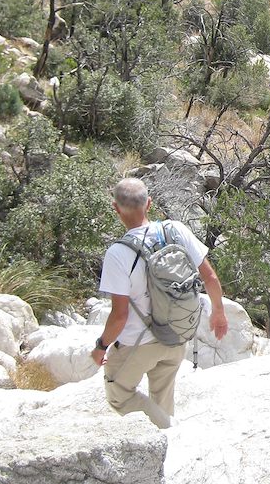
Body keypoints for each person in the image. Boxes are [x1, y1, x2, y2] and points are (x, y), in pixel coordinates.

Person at [91, 177, 228, 428]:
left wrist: (101, 346)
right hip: (176, 334)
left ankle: (170, 430)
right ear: (149, 204)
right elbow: (210, 277)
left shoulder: (117, 254)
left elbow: (120, 315)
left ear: (116, 208)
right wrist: (218, 312)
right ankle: (167, 437)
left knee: (119, 395)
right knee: (162, 398)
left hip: (138, 344)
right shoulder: (175, 230)